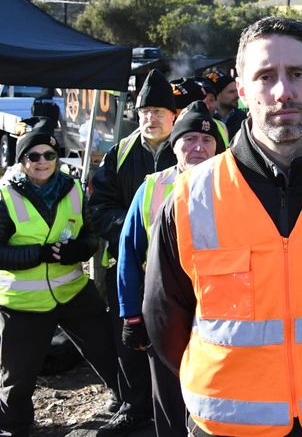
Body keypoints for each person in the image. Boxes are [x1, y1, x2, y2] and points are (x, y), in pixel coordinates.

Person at [144, 16, 302, 437]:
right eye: (265, 76)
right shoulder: (189, 197)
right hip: (226, 424)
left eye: (297, 74)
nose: (283, 92)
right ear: (241, 88)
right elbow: (165, 318)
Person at [0, 124, 121, 437]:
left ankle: (129, 404)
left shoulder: (73, 188)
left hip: (73, 292)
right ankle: (15, 427)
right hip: (23, 303)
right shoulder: (5, 195)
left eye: (49, 154)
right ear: (21, 160)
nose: (42, 161)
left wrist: (78, 250)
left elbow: (90, 235)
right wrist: (36, 255)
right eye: (33, 156)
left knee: (108, 349)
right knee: (17, 378)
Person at [117, 102, 224, 437]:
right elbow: (128, 256)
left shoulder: (235, 188)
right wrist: (131, 316)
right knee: (168, 396)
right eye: (189, 139)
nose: (198, 147)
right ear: (174, 145)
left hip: (219, 312)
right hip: (163, 310)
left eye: (207, 142)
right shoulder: (150, 189)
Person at [90, 68, 178, 435]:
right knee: (127, 335)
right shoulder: (119, 153)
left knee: (174, 335)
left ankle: (175, 408)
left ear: (174, 116)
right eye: (144, 112)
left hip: (178, 269)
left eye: (158, 112)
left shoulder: (191, 145)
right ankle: (134, 404)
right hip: (129, 267)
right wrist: (129, 231)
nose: (150, 119)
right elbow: (98, 207)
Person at [205, 70, 247, 140]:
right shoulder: (206, 119)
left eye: (237, 91)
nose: (237, 95)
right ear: (217, 95)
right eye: (231, 92)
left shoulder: (244, 118)